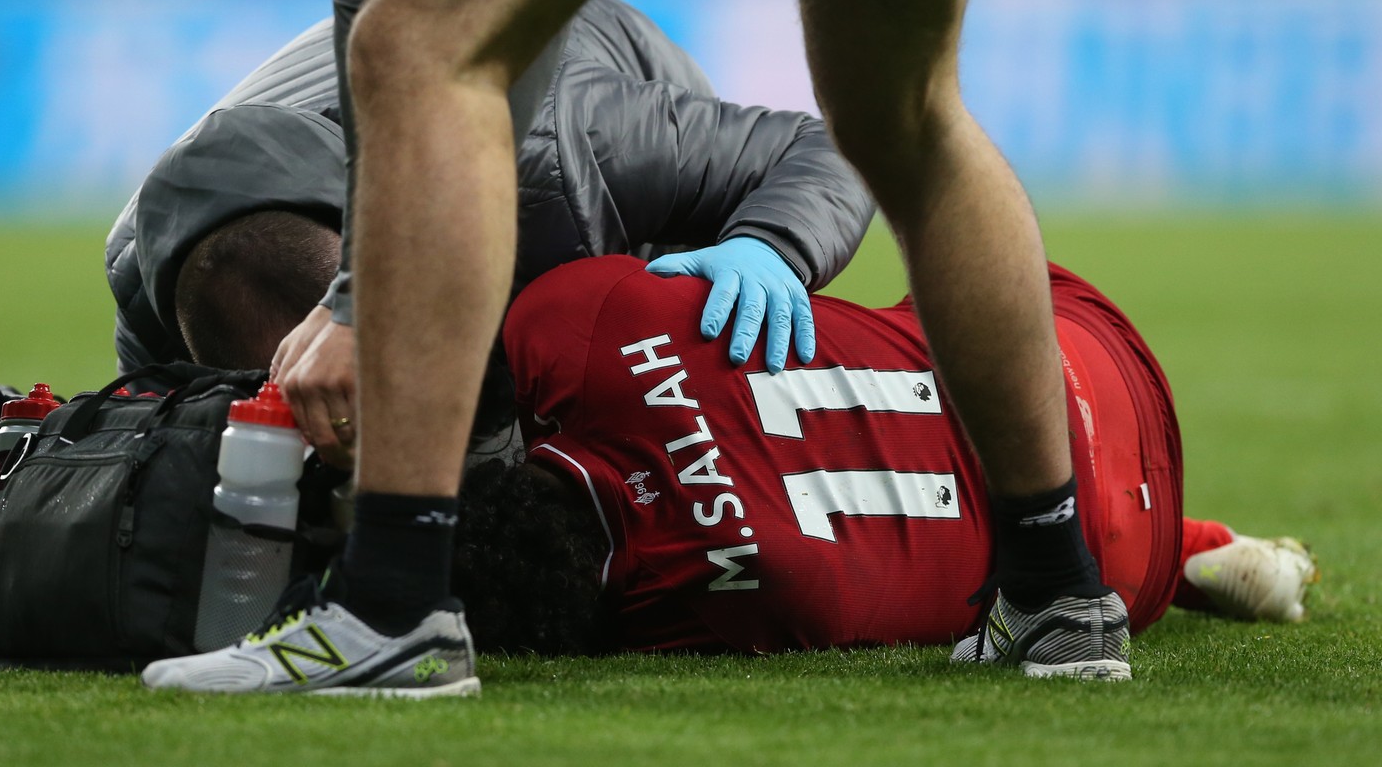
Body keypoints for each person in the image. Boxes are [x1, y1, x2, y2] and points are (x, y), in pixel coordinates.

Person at [230, 0, 1118, 694]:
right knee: (913, 115)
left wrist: (356, 305)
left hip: (600, 152)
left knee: (424, 45)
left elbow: (408, 6)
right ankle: (1058, 585)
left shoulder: (596, 136)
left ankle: (392, 608)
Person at [140, 254, 1318, 690]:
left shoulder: (680, 609)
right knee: (901, 330)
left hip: (1138, 558)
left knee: (897, 531)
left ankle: (1207, 542)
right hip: (1081, 346)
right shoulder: (582, 322)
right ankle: (1191, 539)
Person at [105, 4, 873, 466]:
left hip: (578, 89)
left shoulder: (568, 141)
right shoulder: (149, 285)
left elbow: (836, 147)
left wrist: (772, 246)